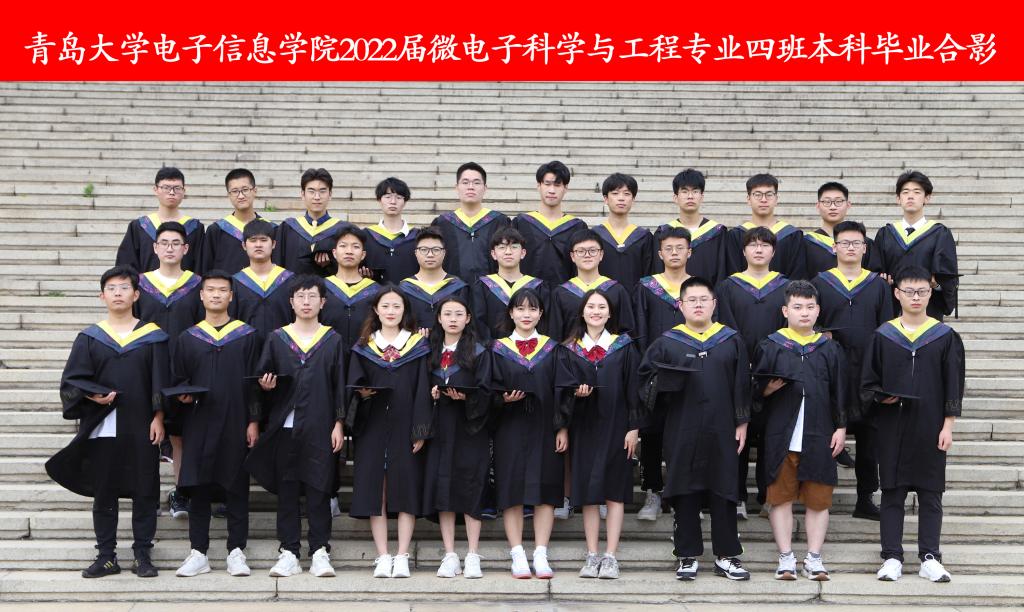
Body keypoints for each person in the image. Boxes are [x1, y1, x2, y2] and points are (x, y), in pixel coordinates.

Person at [45, 265, 168, 579]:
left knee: (145, 488)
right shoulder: (90, 338)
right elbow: (72, 380)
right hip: (104, 424)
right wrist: (91, 396)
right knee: (104, 491)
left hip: (142, 422)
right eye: (111, 288)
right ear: (102, 296)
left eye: (124, 288)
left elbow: (161, 380)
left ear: (136, 295)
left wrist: (159, 416)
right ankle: (106, 556)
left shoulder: (153, 336)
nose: (118, 293)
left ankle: (142, 555)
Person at [638, 277, 752, 581]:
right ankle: (686, 555)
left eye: (704, 299)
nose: (698, 305)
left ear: (714, 304)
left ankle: (727, 556)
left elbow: (742, 384)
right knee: (684, 488)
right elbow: (645, 382)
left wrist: (742, 421)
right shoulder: (667, 342)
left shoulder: (730, 340)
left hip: (722, 426)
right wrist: (663, 383)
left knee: (724, 488)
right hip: (682, 427)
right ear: (680, 305)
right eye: (692, 300)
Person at [861, 265, 965, 583]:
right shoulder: (883, 336)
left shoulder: (944, 336)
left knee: (931, 494)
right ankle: (892, 556)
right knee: (892, 492)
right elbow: (867, 383)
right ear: (897, 294)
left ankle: (929, 557)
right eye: (909, 291)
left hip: (931, 425)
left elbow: (953, 384)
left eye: (921, 291)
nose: (915, 297)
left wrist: (948, 425)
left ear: (930, 294)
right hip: (892, 425)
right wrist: (881, 398)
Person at [245, 275, 346, 578]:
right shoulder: (277, 338)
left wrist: (339, 423)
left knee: (319, 488)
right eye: (300, 296)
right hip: (284, 426)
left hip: (320, 425)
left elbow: (339, 384)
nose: (306, 302)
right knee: (287, 490)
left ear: (322, 302)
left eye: (312, 296)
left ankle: (319, 551)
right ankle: (289, 551)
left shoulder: (332, 339)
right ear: (291, 302)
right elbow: (261, 382)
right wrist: (265, 388)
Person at [753, 281, 847, 582]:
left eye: (809, 307)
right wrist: (765, 390)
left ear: (818, 311)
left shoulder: (829, 348)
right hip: (781, 434)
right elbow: (753, 391)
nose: (804, 313)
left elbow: (840, 391)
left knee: (819, 499)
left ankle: (814, 558)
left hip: (820, 433)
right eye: (797, 307)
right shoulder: (771, 345)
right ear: (785, 311)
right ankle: (786, 557)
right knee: (780, 498)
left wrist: (841, 427)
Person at [169, 271, 261, 577]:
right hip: (199, 421)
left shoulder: (247, 336)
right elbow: (178, 379)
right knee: (198, 488)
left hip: (236, 420)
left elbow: (254, 384)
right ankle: (199, 552)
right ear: (201, 295)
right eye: (211, 290)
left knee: (237, 487)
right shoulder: (188, 338)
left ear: (231, 296)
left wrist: (254, 420)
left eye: (223, 290)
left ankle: (236, 551)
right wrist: (181, 396)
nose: (217, 294)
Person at [346, 286, 432, 579]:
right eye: (386, 306)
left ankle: (402, 555)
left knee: (406, 489)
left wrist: (420, 429)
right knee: (375, 491)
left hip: (405, 426)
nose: (391, 311)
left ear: (404, 310)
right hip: (372, 427)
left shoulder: (418, 346)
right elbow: (353, 386)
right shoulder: (364, 347)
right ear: (376, 310)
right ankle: (383, 555)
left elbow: (423, 389)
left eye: (397, 306)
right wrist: (362, 394)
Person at [557, 290, 642, 580]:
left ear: (610, 313)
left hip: (617, 426)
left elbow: (634, 389)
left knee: (614, 492)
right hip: (583, 427)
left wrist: (634, 428)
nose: (596, 311)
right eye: (591, 306)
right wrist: (574, 398)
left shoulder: (624, 347)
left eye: (601, 307)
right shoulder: (569, 349)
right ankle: (592, 554)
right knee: (588, 493)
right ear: (582, 312)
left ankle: (611, 556)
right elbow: (560, 391)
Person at [811, 220, 894, 520]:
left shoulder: (878, 285)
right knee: (824, 433)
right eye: (844, 243)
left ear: (865, 248)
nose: (850, 248)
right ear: (834, 247)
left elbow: (887, 330)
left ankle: (865, 498)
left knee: (869, 438)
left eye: (856, 243)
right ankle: (818, 496)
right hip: (830, 371)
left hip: (868, 372)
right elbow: (811, 324)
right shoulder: (820, 283)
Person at [490, 289, 566, 579]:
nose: (526, 314)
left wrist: (562, 426)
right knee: (512, 489)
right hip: (509, 428)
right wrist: (501, 399)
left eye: (532, 309)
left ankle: (541, 552)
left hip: (545, 428)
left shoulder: (553, 349)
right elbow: (487, 389)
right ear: (511, 313)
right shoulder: (497, 349)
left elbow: (562, 391)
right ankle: (517, 553)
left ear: (540, 314)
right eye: (520, 309)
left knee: (545, 489)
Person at [715, 226, 789, 517]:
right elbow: (726, 326)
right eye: (753, 244)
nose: (759, 249)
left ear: (774, 251)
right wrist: (740, 359)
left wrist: (775, 361)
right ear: (744, 251)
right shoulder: (727, 286)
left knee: (773, 434)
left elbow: (789, 328)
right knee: (738, 435)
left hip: (775, 372)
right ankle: (737, 496)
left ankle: (769, 494)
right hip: (739, 372)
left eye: (765, 245)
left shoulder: (785, 286)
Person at [133, 221, 204, 519]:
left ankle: (181, 493)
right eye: (164, 243)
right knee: (144, 433)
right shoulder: (140, 285)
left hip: (183, 369)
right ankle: (145, 494)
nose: (170, 248)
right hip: (145, 367)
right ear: (155, 248)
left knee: (178, 436)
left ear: (186, 249)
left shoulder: (197, 285)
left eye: (176, 243)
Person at [422, 296, 493, 579]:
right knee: (444, 486)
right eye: (447, 314)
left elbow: (487, 391)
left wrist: (466, 397)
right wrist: (432, 394)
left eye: (459, 314)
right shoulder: (428, 351)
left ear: (468, 319)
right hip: (440, 427)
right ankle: (450, 554)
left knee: (472, 486)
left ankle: (473, 554)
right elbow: (417, 387)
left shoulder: (479, 352)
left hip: (470, 429)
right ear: (439, 319)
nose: (453, 319)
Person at [633, 226, 690, 520]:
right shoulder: (647, 287)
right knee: (652, 433)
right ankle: (652, 491)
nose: (674, 253)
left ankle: (683, 494)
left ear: (689, 252)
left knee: (685, 435)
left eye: (680, 248)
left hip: (690, 373)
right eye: (669, 248)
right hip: (654, 373)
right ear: (660, 253)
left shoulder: (698, 289)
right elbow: (640, 328)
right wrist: (646, 369)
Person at [869, 170, 959, 321]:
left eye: (917, 192)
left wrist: (936, 284)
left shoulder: (940, 234)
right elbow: (875, 273)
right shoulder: (886, 234)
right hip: (892, 313)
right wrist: (883, 282)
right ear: (898, 199)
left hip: (928, 312)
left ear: (927, 198)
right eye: (905, 192)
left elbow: (947, 279)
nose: (910, 196)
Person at [549, 229, 636, 342]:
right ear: (572, 256)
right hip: (570, 352)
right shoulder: (561, 293)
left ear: (601, 254)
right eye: (581, 251)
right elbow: (555, 335)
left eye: (593, 250)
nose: (587, 255)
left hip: (610, 352)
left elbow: (627, 332)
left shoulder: (617, 291)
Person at [431, 162, 511, 282]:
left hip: (492, 289)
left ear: (485, 188)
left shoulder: (499, 222)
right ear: (456, 187)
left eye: (476, 182)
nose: (471, 187)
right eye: (465, 182)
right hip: (452, 289)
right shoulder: (442, 223)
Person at [512, 160, 587, 284]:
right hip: (527, 293)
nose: (552, 190)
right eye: (547, 184)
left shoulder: (577, 227)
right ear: (539, 186)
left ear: (565, 188)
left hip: (566, 293)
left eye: (557, 185)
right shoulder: (521, 223)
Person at [116, 167, 203, 273]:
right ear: (156, 190)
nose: (172, 192)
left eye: (177, 188)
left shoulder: (194, 228)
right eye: (166, 187)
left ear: (184, 191)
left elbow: (201, 267)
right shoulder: (140, 227)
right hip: (145, 284)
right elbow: (126, 266)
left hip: (185, 284)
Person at [471, 226, 548, 342]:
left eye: (514, 247)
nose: (508, 252)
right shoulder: (482, 286)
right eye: (502, 247)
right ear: (493, 254)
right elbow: (478, 325)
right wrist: (492, 349)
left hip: (532, 350)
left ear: (523, 253)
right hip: (492, 351)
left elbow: (544, 324)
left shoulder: (538, 286)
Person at [725, 173, 805, 280]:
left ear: (776, 199)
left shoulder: (792, 235)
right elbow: (732, 274)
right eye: (757, 194)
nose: (763, 199)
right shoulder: (736, 235)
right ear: (748, 199)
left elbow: (797, 275)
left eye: (769, 194)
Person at [654, 169, 727, 285]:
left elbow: (722, 272)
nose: (690, 196)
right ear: (675, 197)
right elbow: (658, 271)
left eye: (695, 191)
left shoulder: (717, 232)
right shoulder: (663, 232)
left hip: (707, 295)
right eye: (684, 191)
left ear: (702, 197)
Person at [230, 220, 295, 341]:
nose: (258, 245)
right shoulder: (235, 282)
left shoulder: (289, 280)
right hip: (247, 347)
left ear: (273, 244)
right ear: (244, 245)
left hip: (282, 347)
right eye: (253, 240)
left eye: (264, 240)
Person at [399, 226, 470, 334]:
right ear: (416, 253)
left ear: (444, 253)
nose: (430, 255)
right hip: (414, 344)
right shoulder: (405, 288)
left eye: (436, 250)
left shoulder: (458, 287)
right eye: (424, 250)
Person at [321, 224, 382, 348]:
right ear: (334, 253)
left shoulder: (376, 291)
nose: (349, 251)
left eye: (355, 247)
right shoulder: (321, 288)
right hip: (328, 354)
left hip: (365, 354)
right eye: (343, 246)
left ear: (363, 254)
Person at [591, 173, 654, 291]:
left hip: (636, 300)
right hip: (600, 299)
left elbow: (649, 276)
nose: (621, 198)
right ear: (606, 199)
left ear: (633, 199)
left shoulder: (643, 237)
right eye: (615, 193)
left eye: (627, 194)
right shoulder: (594, 235)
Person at [275, 168, 344, 276]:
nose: (317, 197)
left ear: (330, 194)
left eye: (322, 191)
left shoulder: (342, 230)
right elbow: (277, 266)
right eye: (311, 191)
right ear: (303, 194)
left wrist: (330, 264)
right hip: (292, 286)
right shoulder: (287, 228)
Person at [200, 168, 269, 275]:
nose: (241, 196)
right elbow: (206, 269)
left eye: (245, 189)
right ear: (229, 195)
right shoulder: (216, 230)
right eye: (235, 191)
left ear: (254, 191)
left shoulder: (270, 229)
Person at [803, 181, 873, 278]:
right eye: (827, 202)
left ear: (848, 204)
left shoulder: (864, 243)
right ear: (818, 205)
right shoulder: (806, 243)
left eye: (838, 202)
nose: (833, 207)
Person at [362, 177, 421, 284]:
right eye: (388, 197)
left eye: (399, 197)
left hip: (411, 292)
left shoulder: (418, 236)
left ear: (405, 202)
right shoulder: (366, 236)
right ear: (379, 200)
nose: (393, 202)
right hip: (376, 293)